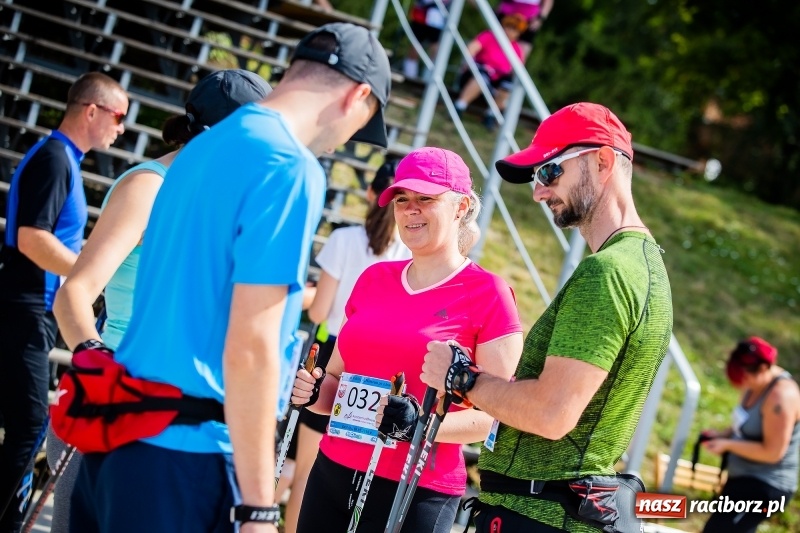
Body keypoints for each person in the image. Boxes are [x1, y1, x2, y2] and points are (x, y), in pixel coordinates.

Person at [67, 22, 391, 533]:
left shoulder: (197, 151)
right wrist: (261, 507)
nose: (346, 142)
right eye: (363, 125)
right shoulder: (288, 164)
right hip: (185, 456)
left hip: (121, 443)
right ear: (359, 95)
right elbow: (252, 346)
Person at [420, 102, 674, 532]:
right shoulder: (645, 265)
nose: (538, 191)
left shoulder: (608, 272)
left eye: (550, 171)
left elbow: (551, 414)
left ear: (603, 161)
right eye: (536, 177)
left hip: (540, 515)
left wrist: (462, 378)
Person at [48, 69, 272, 533]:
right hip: (112, 409)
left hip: (177, 427)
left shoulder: (218, 200)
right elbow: (75, 292)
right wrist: (93, 358)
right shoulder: (148, 187)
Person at [291, 146, 524, 533]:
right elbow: (335, 381)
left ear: (461, 206)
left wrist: (418, 425)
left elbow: (496, 418)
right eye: (402, 200)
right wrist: (313, 393)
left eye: (426, 199)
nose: (410, 209)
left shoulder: (489, 294)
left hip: (416, 487)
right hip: (333, 468)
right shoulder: (374, 279)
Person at [0, 72, 128, 533]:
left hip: (30, 309)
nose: (122, 129)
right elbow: (31, 239)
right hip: (24, 306)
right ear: (91, 110)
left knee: (25, 423)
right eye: (118, 117)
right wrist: (87, 276)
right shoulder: (55, 158)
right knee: (30, 425)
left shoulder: (63, 159)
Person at [281, 159, 412, 533]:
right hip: (379, 362)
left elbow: (321, 309)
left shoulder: (343, 239)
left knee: (308, 465)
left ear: (372, 194)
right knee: (354, 467)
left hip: (332, 353)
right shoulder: (409, 253)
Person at [701, 336, 800, 533]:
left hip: (766, 485)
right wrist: (722, 436)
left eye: (745, 378)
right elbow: (744, 423)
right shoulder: (755, 382)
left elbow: (773, 453)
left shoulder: (781, 398)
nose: (742, 384)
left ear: (763, 369)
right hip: (743, 477)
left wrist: (728, 446)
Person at [453, 14, 526, 132]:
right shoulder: (489, 36)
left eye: (515, 29)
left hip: (495, 83)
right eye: (508, 27)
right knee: (481, 77)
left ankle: (491, 115)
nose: (510, 31)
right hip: (475, 74)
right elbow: (471, 49)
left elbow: (517, 70)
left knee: (507, 85)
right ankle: (459, 106)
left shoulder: (516, 48)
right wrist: (470, 64)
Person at [403, 0, 452, 79]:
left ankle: (428, 78)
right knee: (415, 47)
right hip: (421, 17)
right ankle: (410, 76)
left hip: (438, 20)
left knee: (435, 50)